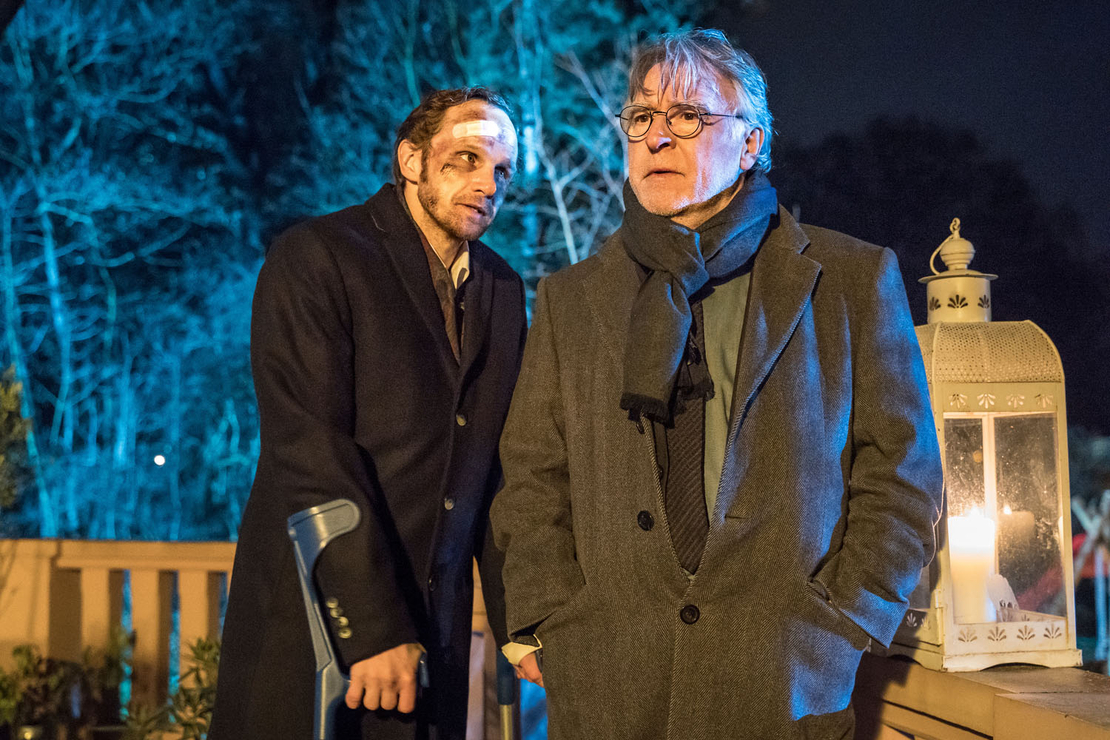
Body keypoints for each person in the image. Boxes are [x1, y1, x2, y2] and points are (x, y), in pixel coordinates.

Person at [491, 29, 943, 740]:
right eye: (642, 116)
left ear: (751, 142)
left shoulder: (850, 279)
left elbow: (902, 472)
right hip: (607, 686)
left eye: (688, 116)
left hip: (783, 686)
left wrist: (846, 620)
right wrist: (548, 617)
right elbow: (531, 476)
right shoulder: (570, 298)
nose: (656, 137)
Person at [210, 87, 526, 740]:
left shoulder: (501, 288)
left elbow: (497, 471)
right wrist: (376, 627)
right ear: (411, 160)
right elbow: (309, 446)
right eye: (466, 159)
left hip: (436, 641)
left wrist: (524, 624)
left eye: (502, 170)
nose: (487, 184)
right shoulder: (318, 256)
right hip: (318, 625)